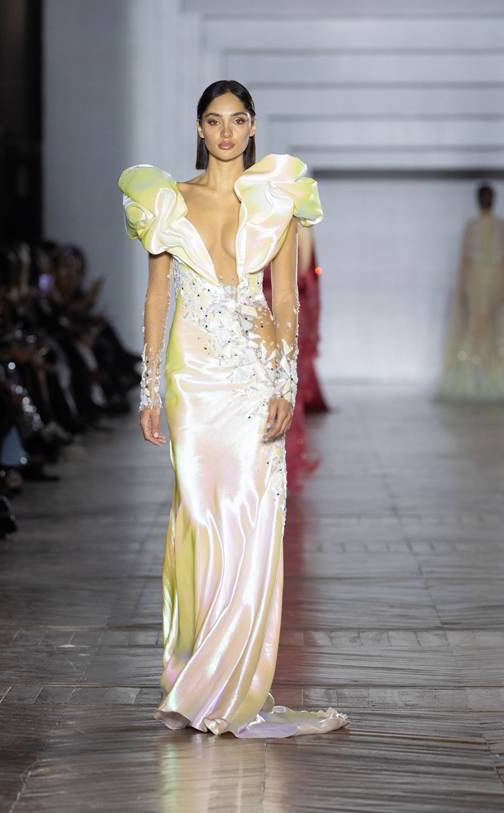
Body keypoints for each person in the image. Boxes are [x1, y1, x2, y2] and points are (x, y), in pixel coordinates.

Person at [119, 80, 348, 738]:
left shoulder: (276, 198)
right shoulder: (168, 199)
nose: (226, 131)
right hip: (192, 378)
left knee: (252, 519)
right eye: (215, 120)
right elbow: (157, 297)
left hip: (253, 376)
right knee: (198, 516)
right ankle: (196, 672)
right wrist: (150, 388)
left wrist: (284, 384)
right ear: (199, 128)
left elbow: (286, 301)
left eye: (238, 119)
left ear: (252, 127)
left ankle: (236, 682)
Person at [437, 184, 504, 401]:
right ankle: (484, 379)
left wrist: (464, 288)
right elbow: (501, 260)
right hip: (487, 280)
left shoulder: (482, 227)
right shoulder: (495, 226)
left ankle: (486, 380)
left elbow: (498, 260)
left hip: (482, 280)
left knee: (485, 328)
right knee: (486, 328)